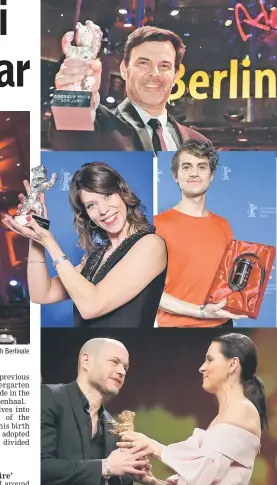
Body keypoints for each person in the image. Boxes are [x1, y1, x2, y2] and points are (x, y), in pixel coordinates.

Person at [2, 162, 167, 328]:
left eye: (107, 195)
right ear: (86, 214)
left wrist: (50, 242)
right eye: (91, 205)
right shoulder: (95, 257)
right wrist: (37, 233)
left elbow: (92, 306)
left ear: (122, 193)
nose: (103, 210)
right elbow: (42, 294)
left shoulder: (150, 245)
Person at [117, 333, 267, 485]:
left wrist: (154, 447)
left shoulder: (242, 409)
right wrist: (153, 482)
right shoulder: (225, 417)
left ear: (233, 364)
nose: (202, 368)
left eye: (210, 360)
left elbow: (205, 467)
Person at [50, 26, 208, 151]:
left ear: (175, 76)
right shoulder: (100, 126)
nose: (154, 73)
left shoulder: (201, 144)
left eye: (164, 65)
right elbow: (69, 140)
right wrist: (73, 97)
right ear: (124, 70)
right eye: (143, 63)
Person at [154, 139, 246, 327]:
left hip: (222, 323)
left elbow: (227, 279)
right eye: (186, 167)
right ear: (175, 176)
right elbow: (149, 291)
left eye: (202, 167)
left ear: (211, 175)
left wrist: (252, 276)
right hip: (177, 329)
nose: (194, 173)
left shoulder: (223, 225)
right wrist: (201, 312)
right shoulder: (157, 225)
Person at [41, 338, 150, 485]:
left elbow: (111, 473)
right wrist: (105, 466)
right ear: (86, 361)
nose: (121, 372)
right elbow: (35, 466)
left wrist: (134, 475)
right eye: (114, 362)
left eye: (125, 367)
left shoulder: (113, 427)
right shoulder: (48, 397)